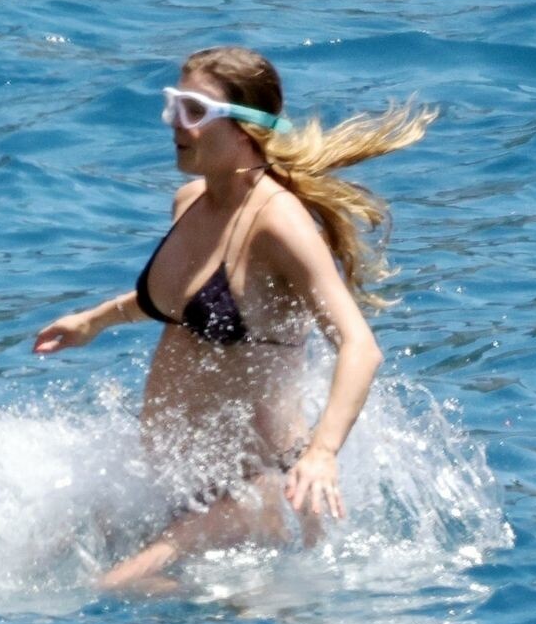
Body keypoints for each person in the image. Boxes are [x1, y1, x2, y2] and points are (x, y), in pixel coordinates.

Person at [34, 46, 433, 594]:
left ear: (247, 130)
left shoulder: (278, 225)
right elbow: (179, 301)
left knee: (111, 588)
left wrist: (322, 454)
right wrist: (95, 321)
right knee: (43, 555)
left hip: (249, 491)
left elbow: (360, 347)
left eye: (195, 110)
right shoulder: (190, 202)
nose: (176, 123)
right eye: (173, 104)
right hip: (173, 479)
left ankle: (247, 605)